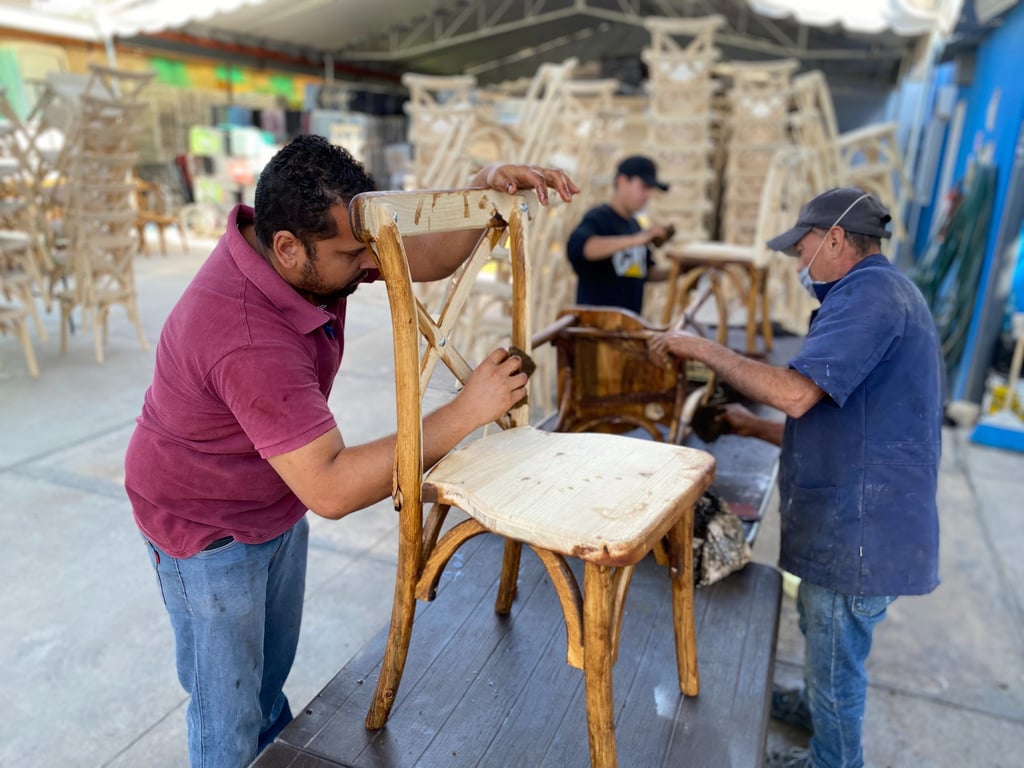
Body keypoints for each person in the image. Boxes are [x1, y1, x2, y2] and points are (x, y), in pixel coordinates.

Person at [124, 134, 579, 768]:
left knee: (264, 685)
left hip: (270, 495)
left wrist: (481, 186)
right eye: (352, 254)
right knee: (226, 715)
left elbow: (420, 255)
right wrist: (464, 413)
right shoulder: (245, 334)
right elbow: (332, 487)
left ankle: (268, 750)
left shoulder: (307, 247)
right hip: (204, 525)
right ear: (288, 247)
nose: (371, 263)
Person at [649, 187, 944, 768]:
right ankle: (816, 705)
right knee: (825, 636)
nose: (797, 261)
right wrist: (747, 426)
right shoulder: (877, 293)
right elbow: (844, 426)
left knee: (836, 660)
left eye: (801, 247)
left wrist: (702, 348)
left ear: (834, 240)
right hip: (861, 514)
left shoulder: (869, 298)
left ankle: (833, 758)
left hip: (861, 529)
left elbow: (795, 394)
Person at [566, 154, 675, 315]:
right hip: (596, 325)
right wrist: (638, 239)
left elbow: (646, 271)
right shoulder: (599, 218)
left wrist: (678, 271)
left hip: (628, 325)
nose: (648, 195)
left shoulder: (635, 225)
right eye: (644, 187)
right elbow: (581, 248)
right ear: (622, 181)